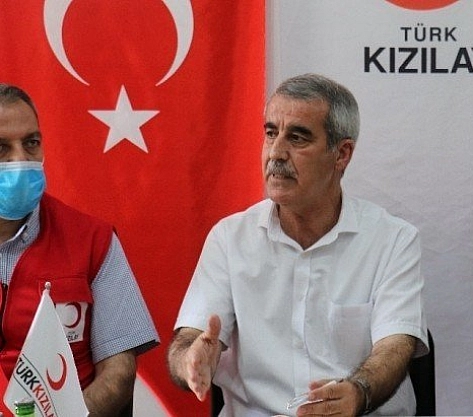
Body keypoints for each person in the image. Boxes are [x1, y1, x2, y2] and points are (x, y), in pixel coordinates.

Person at [167, 73, 428, 417]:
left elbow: (396, 345)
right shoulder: (230, 238)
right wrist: (191, 360)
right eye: (270, 133)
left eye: (298, 138)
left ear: (342, 154)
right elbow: (190, 339)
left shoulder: (393, 240)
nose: (276, 153)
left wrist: (358, 392)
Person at [0, 83, 160, 415]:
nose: (21, 160)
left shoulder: (92, 240)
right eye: (2, 148)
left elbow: (119, 368)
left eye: (31, 143)